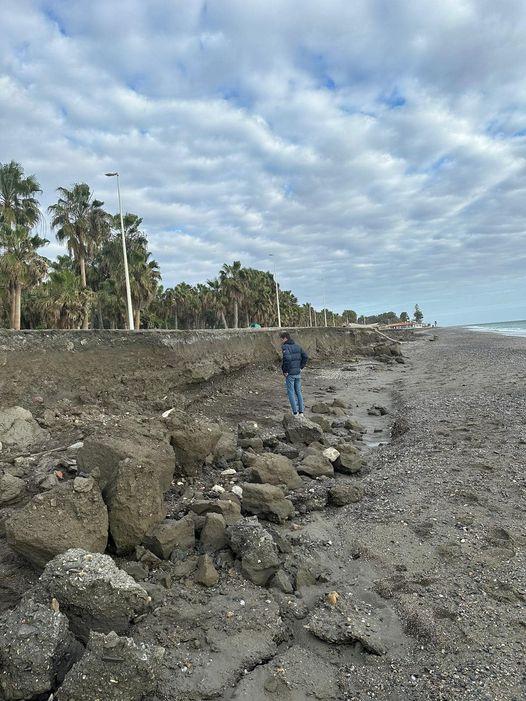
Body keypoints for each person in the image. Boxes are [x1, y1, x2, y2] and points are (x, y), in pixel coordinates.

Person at [280, 331, 308, 416]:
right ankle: (301, 412)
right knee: (298, 392)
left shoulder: (285, 347)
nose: (281, 341)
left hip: (290, 374)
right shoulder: (297, 346)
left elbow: (287, 359)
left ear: (285, 338)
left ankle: (295, 412)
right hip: (297, 372)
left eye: (281, 339)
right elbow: (305, 356)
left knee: (291, 392)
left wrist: (285, 371)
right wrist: (301, 367)